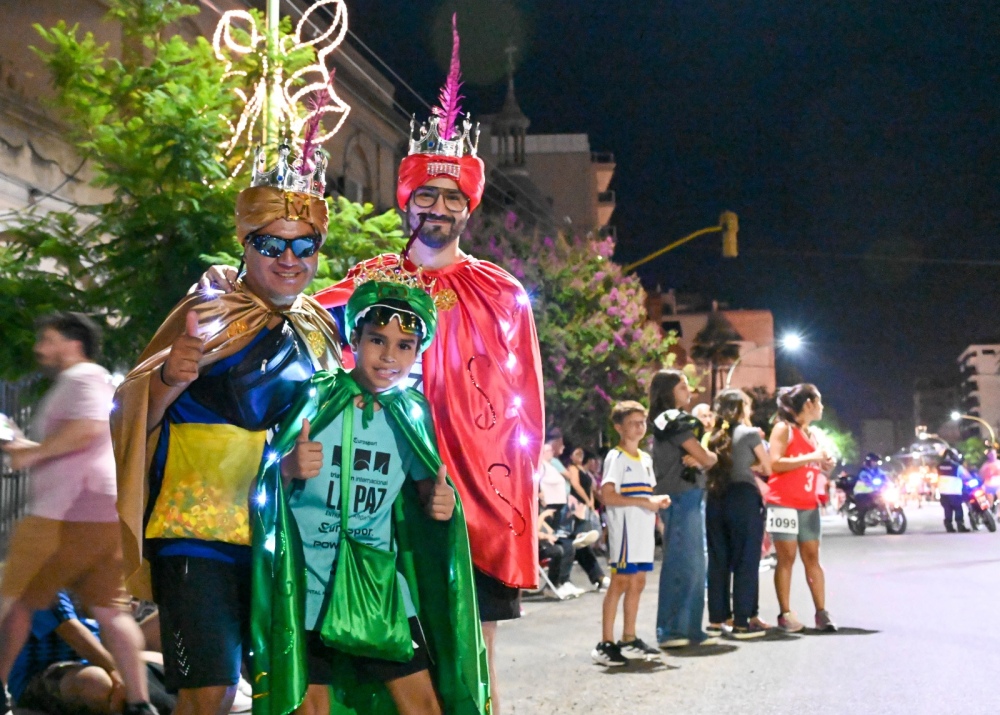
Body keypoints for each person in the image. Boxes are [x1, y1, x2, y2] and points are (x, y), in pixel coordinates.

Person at [198, 24, 543, 713]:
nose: (438, 208)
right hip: (366, 510)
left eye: (452, 198)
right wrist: (229, 292)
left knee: (469, 661)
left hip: (466, 498)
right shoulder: (369, 285)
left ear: (467, 208)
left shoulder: (503, 293)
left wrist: (513, 509)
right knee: (360, 668)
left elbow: (525, 408)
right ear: (407, 198)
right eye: (427, 195)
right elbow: (288, 313)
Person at [111, 142, 342, 715]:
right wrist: (169, 376)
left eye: (304, 246)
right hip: (199, 534)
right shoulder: (211, 309)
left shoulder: (317, 328)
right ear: (245, 244)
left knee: (294, 693)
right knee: (208, 694)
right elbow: (130, 409)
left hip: (284, 540)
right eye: (271, 245)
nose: (290, 259)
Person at [252, 273, 488, 715]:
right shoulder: (316, 396)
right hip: (306, 587)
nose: (389, 356)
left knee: (424, 708)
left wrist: (444, 505)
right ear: (354, 338)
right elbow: (263, 487)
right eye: (377, 340)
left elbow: (428, 492)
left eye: (404, 346)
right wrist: (286, 468)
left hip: (380, 590)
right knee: (310, 709)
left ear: (417, 353)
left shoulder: (412, 413)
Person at [0, 312, 156, 715]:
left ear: (74, 343)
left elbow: (86, 430)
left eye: (49, 340)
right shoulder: (97, 381)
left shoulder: (82, 376)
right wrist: (25, 447)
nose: (40, 349)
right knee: (110, 611)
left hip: (63, 512)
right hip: (100, 512)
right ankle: (140, 703)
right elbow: (85, 440)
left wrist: (32, 452)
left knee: (14, 602)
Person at [592, 401, 670, 666]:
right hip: (624, 530)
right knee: (620, 582)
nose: (639, 427)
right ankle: (605, 642)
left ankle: (629, 636)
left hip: (642, 529)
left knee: (638, 582)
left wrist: (655, 502)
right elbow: (608, 495)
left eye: (642, 422)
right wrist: (643, 502)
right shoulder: (616, 457)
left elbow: (643, 495)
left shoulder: (645, 459)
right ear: (619, 427)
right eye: (633, 422)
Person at [8, 591, 175, 715]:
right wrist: (119, 673)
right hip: (47, 669)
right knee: (96, 682)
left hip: (101, 652)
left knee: (172, 615)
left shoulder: (92, 567)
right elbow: (73, 634)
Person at [647, 370, 719, 648]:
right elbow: (706, 457)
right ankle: (672, 630)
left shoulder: (673, 420)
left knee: (693, 564)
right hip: (679, 495)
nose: (689, 391)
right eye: (683, 386)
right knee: (683, 563)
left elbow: (701, 457)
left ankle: (689, 628)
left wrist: (702, 457)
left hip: (686, 494)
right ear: (668, 391)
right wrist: (705, 457)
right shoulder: (672, 420)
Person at [766, 384, 837, 633]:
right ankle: (785, 614)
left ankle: (821, 612)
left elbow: (812, 465)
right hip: (782, 503)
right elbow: (775, 463)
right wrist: (812, 457)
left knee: (812, 559)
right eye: (819, 401)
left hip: (808, 504)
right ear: (808, 403)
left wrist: (824, 463)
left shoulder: (811, 434)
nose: (822, 407)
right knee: (786, 559)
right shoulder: (783, 429)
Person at [704, 390, 772, 639]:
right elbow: (767, 466)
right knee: (746, 559)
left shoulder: (711, 436)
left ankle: (716, 620)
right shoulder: (749, 433)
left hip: (715, 498)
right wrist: (747, 466)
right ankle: (742, 622)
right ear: (741, 408)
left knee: (718, 559)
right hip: (742, 497)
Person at [937, 448, 970, 533]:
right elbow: (966, 476)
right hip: (954, 491)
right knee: (958, 509)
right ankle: (960, 526)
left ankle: (949, 527)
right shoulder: (956, 466)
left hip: (943, 492)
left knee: (947, 510)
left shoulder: (939, 466)